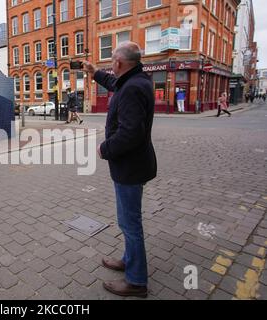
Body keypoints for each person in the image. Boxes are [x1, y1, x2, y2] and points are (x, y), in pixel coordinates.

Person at [83, 42, 157, 298]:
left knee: (130, 223)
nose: (110, 65)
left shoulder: (132, 89)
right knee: (128, 221)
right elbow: (115, 84)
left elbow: (130, 133)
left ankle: (136, 281)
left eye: (112, 60)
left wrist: (106, 148)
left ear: (120, 63)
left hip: (130, 167)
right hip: (133, 165)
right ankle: (129, 259)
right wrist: (94, 73)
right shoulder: (135, 80)